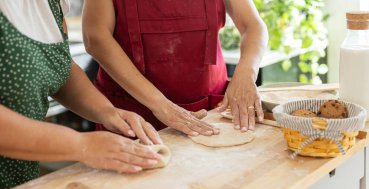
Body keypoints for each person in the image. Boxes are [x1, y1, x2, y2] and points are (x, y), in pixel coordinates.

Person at [0, 0, 162, 189]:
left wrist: (107, 111)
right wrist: (82, 145)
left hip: (18, 180)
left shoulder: (49, 4)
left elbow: (59, 67)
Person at [82, 0, 268, 136]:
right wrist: (160, 105)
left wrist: (246, 74)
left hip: (210, 113)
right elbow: (96, 38)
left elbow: (253, 26)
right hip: (134, 118)